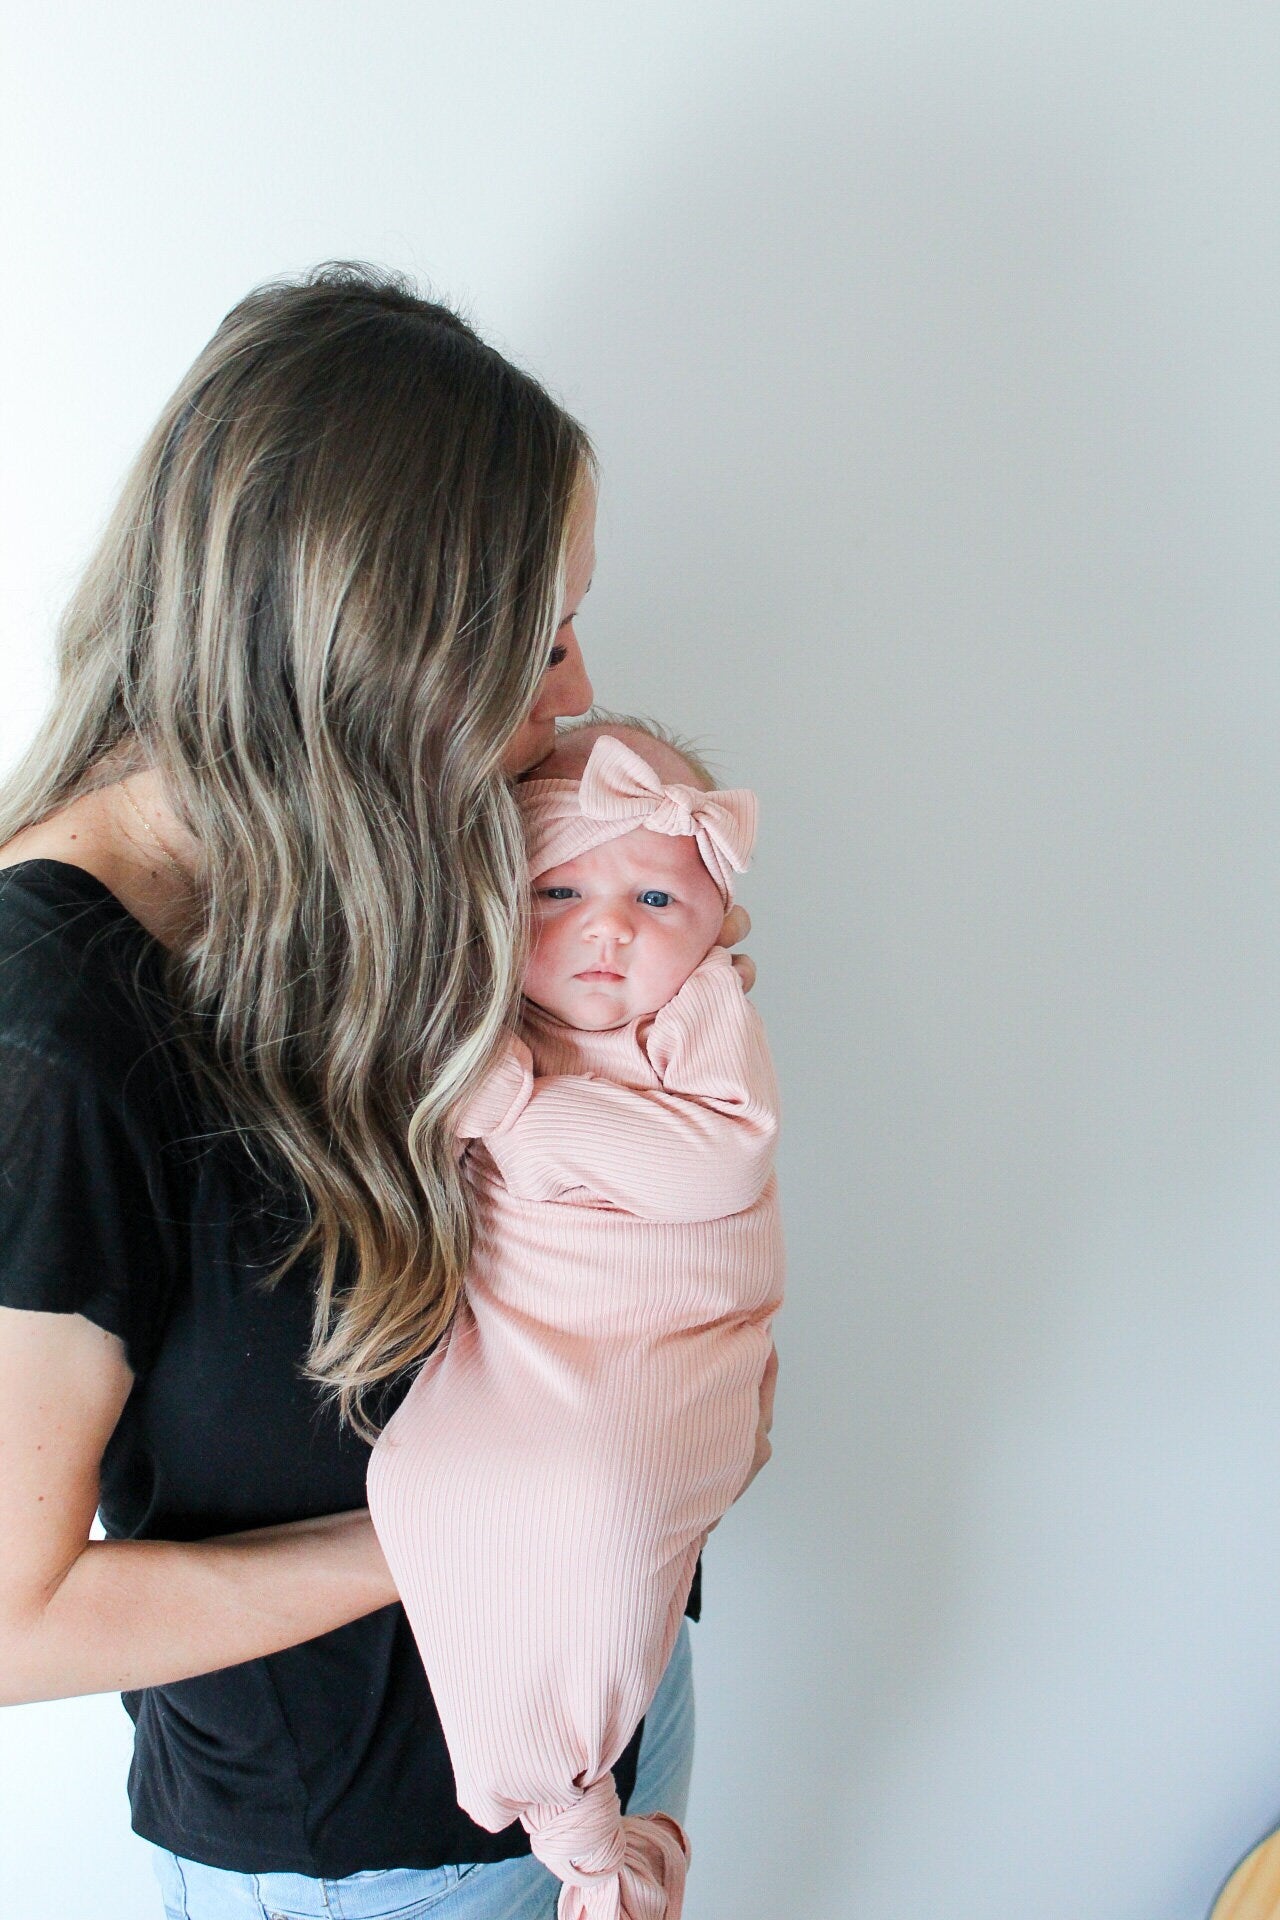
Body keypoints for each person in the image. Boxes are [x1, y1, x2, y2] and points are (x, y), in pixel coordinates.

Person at [0, 264, 776, 1920]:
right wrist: (470, 1534)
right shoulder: (48, 1044)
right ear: (370, 653)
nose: (574, 693)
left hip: (613, 1734)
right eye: (536, 639)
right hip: (382, 1862)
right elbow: (12, 1619)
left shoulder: (350, 852)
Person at [369, 723, 785, 1920]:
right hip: (523, 1335)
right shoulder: (485, 1015)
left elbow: (710, 1169)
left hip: (656, 1336)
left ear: (713, 923)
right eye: (560, 889)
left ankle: (571, 1788)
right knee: (421, 1479)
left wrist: (512, 1109)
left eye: (657, 895)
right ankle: (535, 1775)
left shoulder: (696, 1010)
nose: (609, 928)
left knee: (610, 1509)